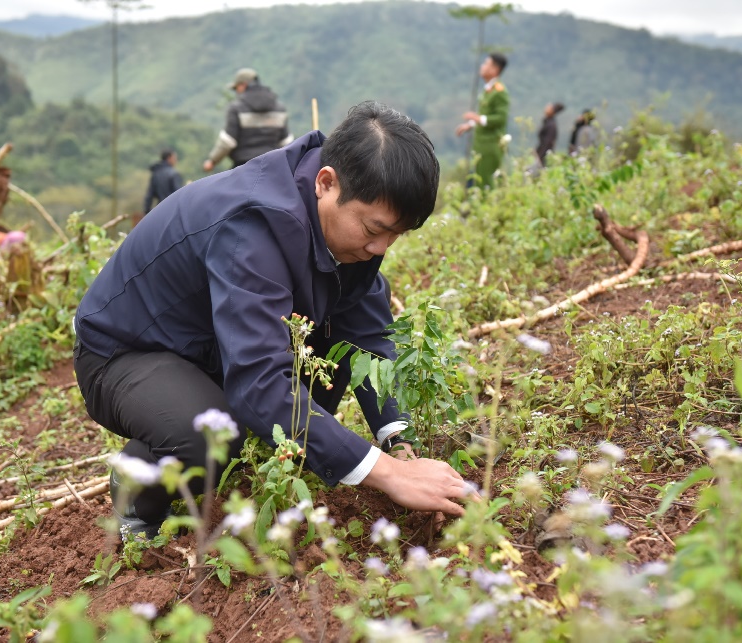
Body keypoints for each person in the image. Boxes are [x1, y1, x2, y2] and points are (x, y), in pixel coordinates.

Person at [75, 101, 473, 537]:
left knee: (334, 348)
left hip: (214, 342)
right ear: (327, 183)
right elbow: (259, 381)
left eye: (396, 235)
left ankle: (273, 443)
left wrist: (399, 443)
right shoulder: (254, 226)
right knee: (210, 432)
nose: (381, 249)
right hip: (126, 352)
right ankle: (137, 489)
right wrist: (388, 475)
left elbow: (367, 337)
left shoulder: (340, 223)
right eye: (375, 230)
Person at [202, 68, 293, 172]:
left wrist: (212, 161)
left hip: (244, 168)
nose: (236, 92)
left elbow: (227, 142)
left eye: (236, 88)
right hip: (272, 168)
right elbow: (286, 142)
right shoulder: (279, 108)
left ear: (243, 85)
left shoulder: (237, 108)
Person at [455, 52, 510, 189]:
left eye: (486, 64)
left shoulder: (499, 92)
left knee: (485, 182)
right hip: (481, 145)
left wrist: (477, 118)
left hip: (490, 146)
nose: (483, 66)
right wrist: (470, 124)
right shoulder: (488, 90)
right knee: (476, 179)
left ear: (495, 69)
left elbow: (500, 118)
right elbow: (484, 115)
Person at [142, 149, 183, 214]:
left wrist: (147, 212)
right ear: (169, 158)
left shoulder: (155, 174)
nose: (176, 160)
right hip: (172, 210)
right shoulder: (174, 174)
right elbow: (179, 194)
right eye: (174, 158)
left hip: (160, 210)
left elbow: (149, 195)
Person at [535, 102, 565, 167]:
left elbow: (548, 142)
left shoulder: (551, 125)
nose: (546, 108)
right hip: (542, 153)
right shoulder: (548, 122)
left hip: (545, 155)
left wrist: (540, 155)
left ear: (552, 111)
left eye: (548, 107)